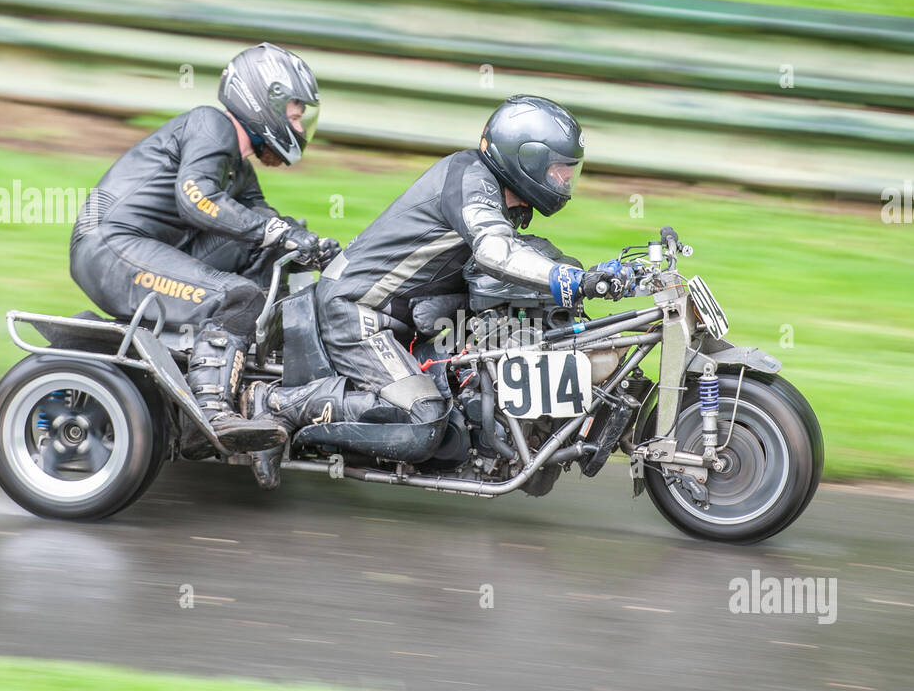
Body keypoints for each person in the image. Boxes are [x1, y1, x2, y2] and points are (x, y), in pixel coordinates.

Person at [243, 94, 632, 488]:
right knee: (425, 418)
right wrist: (569, 280)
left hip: (400, 314)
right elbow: (496, 250)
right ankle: (277, 405)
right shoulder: (471, 179)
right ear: (525, 158)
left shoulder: (502, 195)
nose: (565, 181)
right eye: (558, 170)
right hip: (358, 309)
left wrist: (595, 275)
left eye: (568, 171)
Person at [69, 42, 339, 455]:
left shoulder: (238, 166)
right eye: (295, 115)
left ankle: (268, 374)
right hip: (112, 248)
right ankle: (211, 414)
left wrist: (313, 247)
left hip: (148, 248)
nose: (300, 129)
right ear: (264, 101)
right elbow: (194, 197)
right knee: (237, 295)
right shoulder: (210, 124)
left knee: (274, 252)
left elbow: (261, 219)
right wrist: (275, 231)